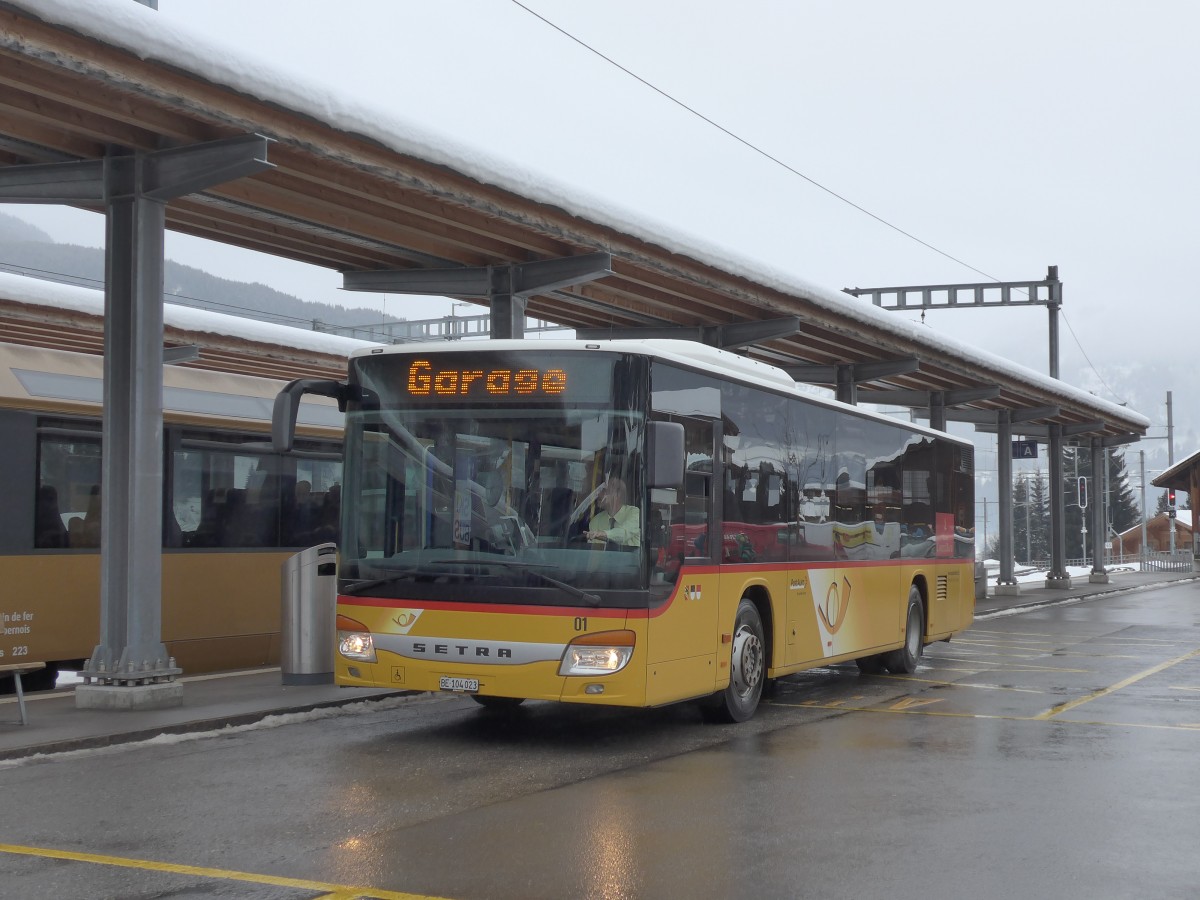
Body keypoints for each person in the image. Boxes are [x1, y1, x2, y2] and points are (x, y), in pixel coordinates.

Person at [585, 475, 640, 548]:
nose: (598, 494)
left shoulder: (634, 512)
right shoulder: (595, 521)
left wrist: (603, 534)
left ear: (618, 495)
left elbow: (623, 534)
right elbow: (595, 553)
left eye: (604, 490)